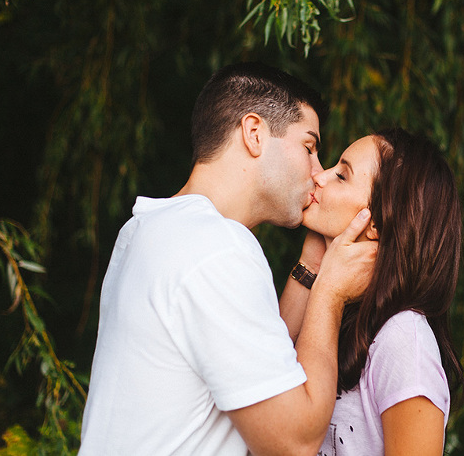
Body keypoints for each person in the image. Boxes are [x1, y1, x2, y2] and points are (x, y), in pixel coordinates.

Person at [79, 62, 377, 455]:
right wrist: (331, 294)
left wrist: (311, 267)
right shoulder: (217, 246)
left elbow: (266, 365)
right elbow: (296, 439)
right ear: (254, 133)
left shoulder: (148, 230)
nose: (318, 173)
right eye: (309, 147)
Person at [280, 128, 464, 455]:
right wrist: (314, 264)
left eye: (342, 175)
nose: (319, 176)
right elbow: (269, 380)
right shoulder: (338, 312)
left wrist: (329, 292)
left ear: (378, 220)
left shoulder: (404, 340)